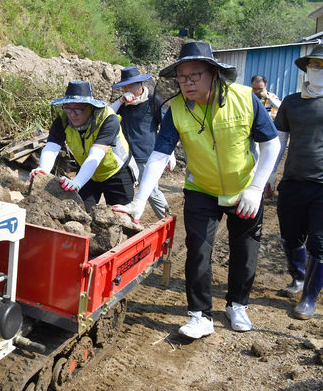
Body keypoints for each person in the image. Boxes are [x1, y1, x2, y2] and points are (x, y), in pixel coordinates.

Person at [113, 41, 280, 338]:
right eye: (181, 76)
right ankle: (200, 315)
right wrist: (139, 201)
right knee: (198, 251)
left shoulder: (245, 99)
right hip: (201, 187)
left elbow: (271, 144)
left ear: (213, 73)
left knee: (245, 251)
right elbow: (159, 156)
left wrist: (256, 187)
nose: (187, 82)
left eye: (194, 75)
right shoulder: (176, 109)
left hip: (244, 188)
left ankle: (237, 304)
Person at [267, 44, 323, 318]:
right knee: (291, 236)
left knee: (319, 243)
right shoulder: (291, 102)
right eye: (315, 64)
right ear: (306, 69)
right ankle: (298, 277)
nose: (318, 70)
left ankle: (309, 297)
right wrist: (269, 174)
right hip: (292, 181)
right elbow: (279, 142)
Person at [29, 80, 136, 211]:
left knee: (120, 216)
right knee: (79, 211)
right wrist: (43, 170)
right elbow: (51, 147)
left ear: (90, 107)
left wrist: (77, 182)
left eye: (77, 110)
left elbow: (96, 154)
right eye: (68, 108)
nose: (72, 115)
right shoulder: (63, 119)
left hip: (115, 172)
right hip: (87, 171)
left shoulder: (107, 119)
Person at [110, 65, 173, 219]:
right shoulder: (122, 105)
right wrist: (120, 100)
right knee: (127, 191)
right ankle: (129, 222)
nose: (127, 89)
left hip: (146, 155)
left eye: (131, 86)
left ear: (140, 85)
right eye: (125, 86)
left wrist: (169, 153)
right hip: (126, 156)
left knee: (151, 191)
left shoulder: (153, 102)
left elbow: (167, 126)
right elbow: (107, 115)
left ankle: (166, 219)